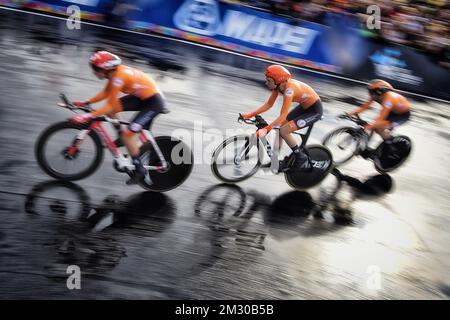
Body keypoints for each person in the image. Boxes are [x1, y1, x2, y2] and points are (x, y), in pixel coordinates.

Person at [70, 51, 166, 185]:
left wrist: (88, 115)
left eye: (96, 69)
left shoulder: (119, 76)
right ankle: (122, 136)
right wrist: (87, 102)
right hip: (142, 97)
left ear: (106, 68)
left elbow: (109, 103)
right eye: (93, 68)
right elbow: (106, 93)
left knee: (128, 135)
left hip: (153, 102)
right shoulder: (113, 74)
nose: (94, 72)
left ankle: (140, 169)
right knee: (112, 112)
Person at [241, 64, 323, 171]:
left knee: (284, 131)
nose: (266, 83)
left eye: (269, 80)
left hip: (314, 111)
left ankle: (301, 157)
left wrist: (266, 129)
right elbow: (269, 104)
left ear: (279, 81)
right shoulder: (279, 86)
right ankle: (274, 160)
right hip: (304, 107)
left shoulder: (289, 90)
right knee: (280, 129)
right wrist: (248, 115)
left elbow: (283, 115)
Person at [346, 79, 411, 153]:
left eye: (371, 91)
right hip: (392, 112)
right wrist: (350, 113)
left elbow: (381, 117)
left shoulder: (389, 98)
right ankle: (365, 147)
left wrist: (367, 127)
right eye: (369, 91)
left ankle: (390, 146)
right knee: (375, 124)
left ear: (380, 91)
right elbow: (365, 106)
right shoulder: (376, 95)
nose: (370, 94)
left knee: (379, 127)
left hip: (402, 116)